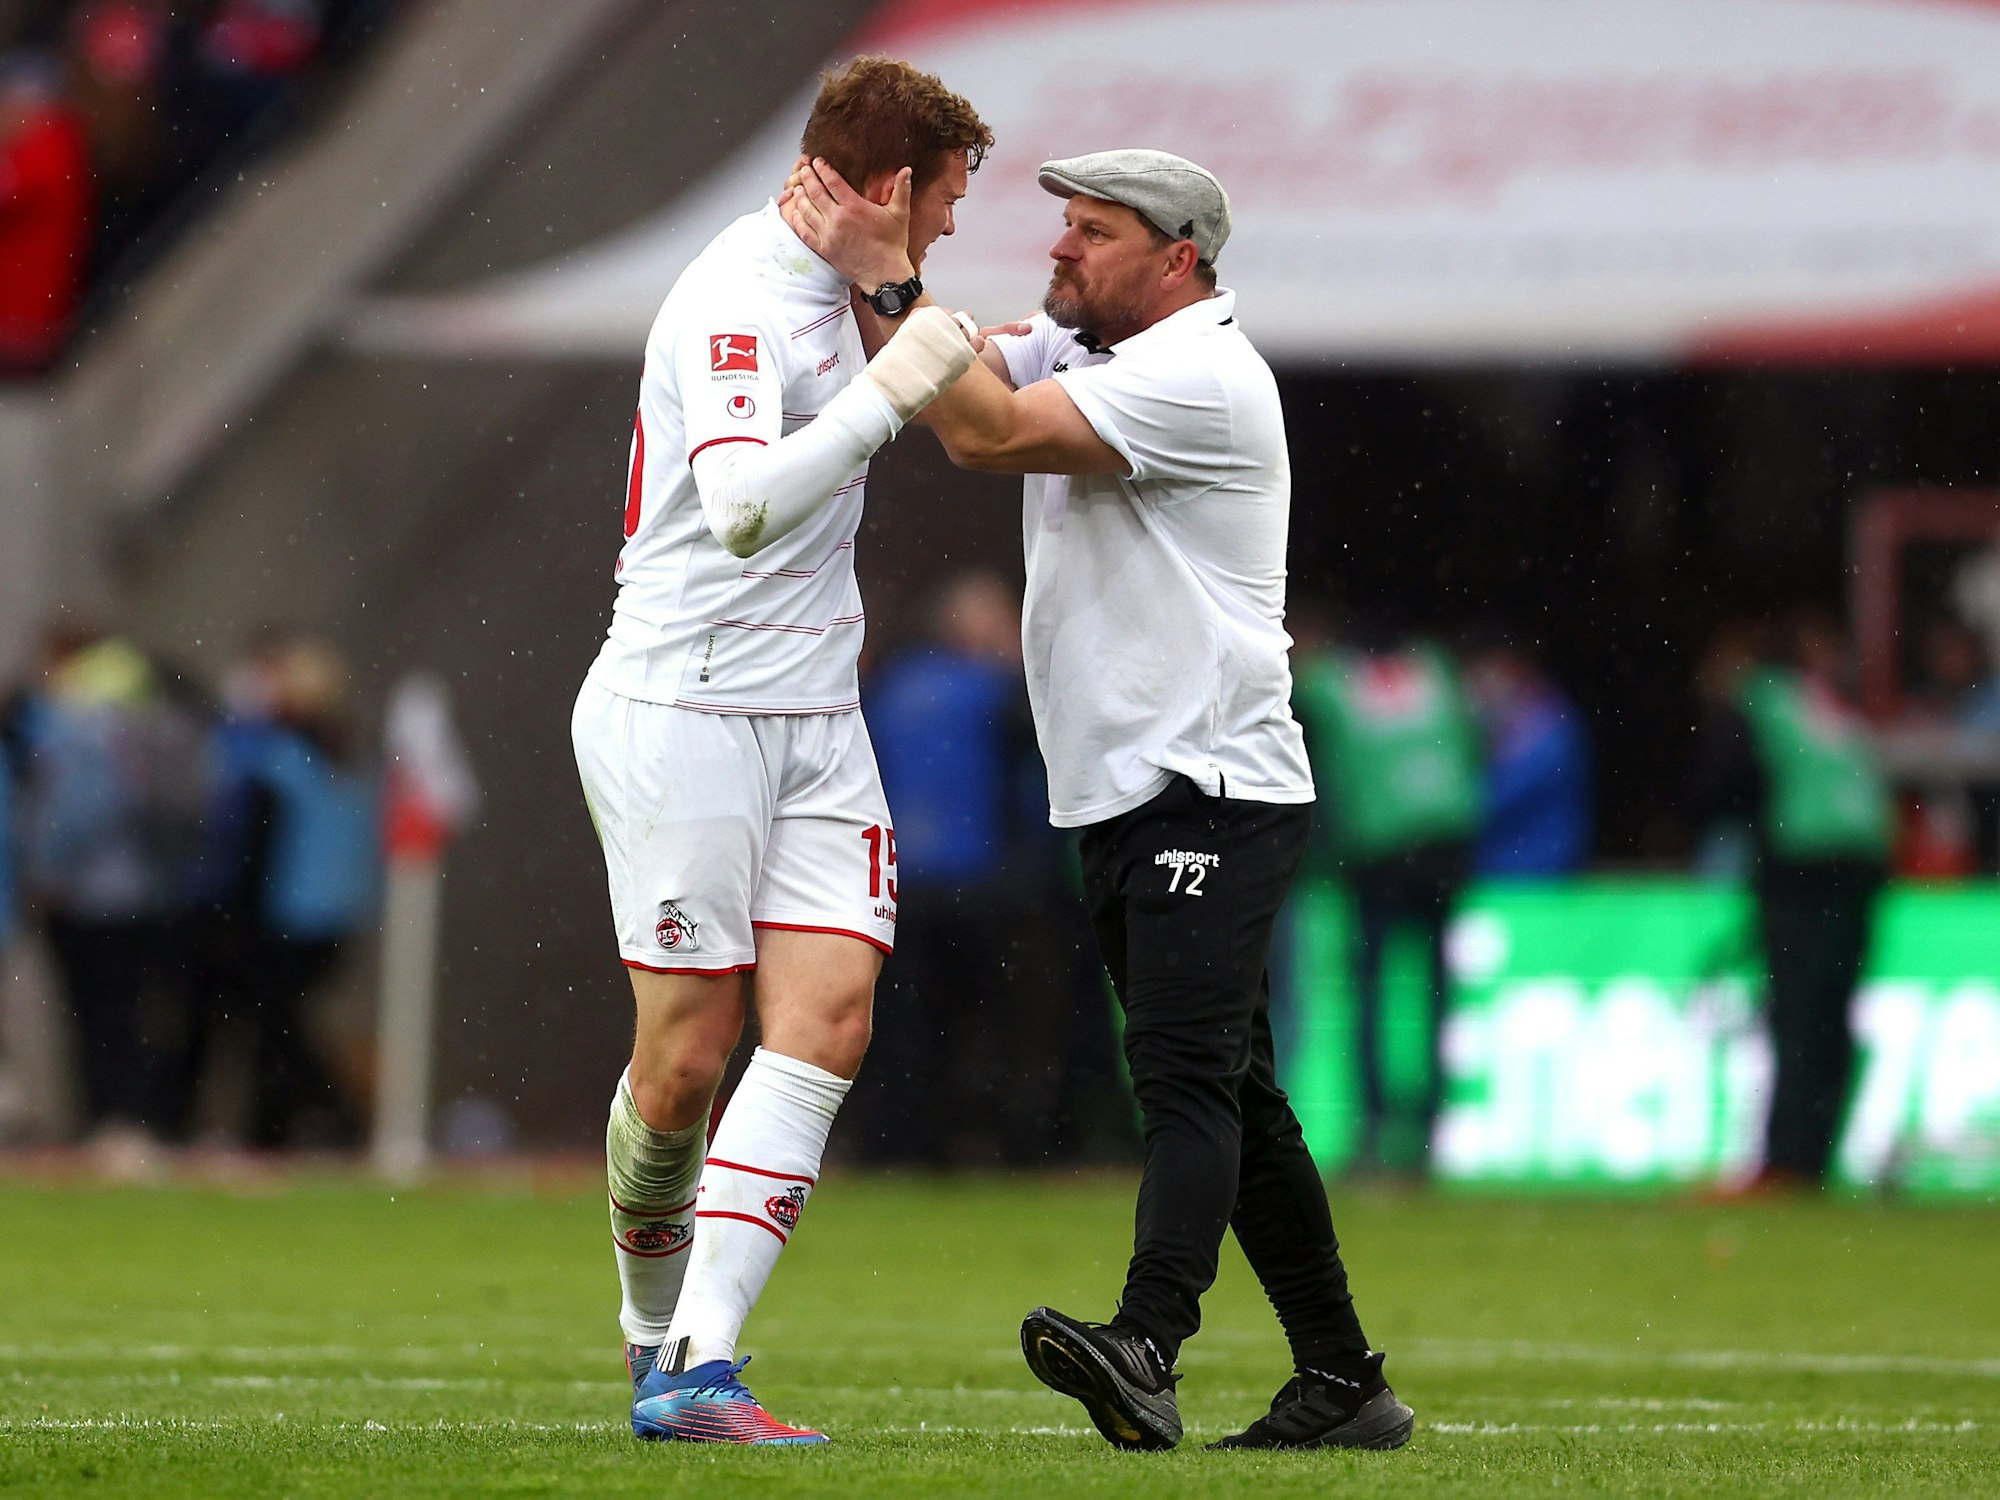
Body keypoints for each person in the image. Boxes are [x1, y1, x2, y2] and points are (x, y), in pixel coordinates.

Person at [785, 148, 1413, 1452]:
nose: (1059, 251)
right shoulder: (1093, 347)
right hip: (1132, 790)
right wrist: (853, 259)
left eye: (1093, 233)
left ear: (1176, 259)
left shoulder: (1202, 375)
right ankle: (1343, 1382)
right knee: (1237, 1093)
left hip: (1210, 787)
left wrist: (893, 270)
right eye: (1061, 227)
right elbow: (931, 361)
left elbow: (980, 427)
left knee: (1182, 1073)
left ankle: (1148, 1342)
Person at [569, 55, 990, 1445]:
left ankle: (701, 1361)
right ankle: (647, 1328)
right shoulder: (738, 297)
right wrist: (886, 399)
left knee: (826, 1024)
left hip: (815, 718)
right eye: (941, 208)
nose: (944, 237)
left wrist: (905, 329)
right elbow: (741, 505)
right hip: (683, 706)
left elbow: (957, 375)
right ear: (889, 189)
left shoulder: (849, 291)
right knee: (684, 1064)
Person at [1690, 610, 1892, 1191]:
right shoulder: (1830, 706)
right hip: (1861, 867)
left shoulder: (1758, 701)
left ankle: (1785, 1161)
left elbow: (1721, 785)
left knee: (1798, 1017)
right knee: (1829, 1017)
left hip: (1803, 868)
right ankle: (1814, 1158)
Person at [1292, 621, 1482, 1172]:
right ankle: (1427, 1127)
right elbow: (1474, 745)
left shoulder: (1331, 682)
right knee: (1434, 994)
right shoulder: (1437, 671)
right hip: (1442, 847)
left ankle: (1375, 1129)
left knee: (1373, 993)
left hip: (1379, 852)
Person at [1462, 630, 1592, 878]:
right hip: (1497, 874)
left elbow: (1490, 801)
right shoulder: (1500, 722)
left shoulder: (1547, 723)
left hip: (1539, 875)